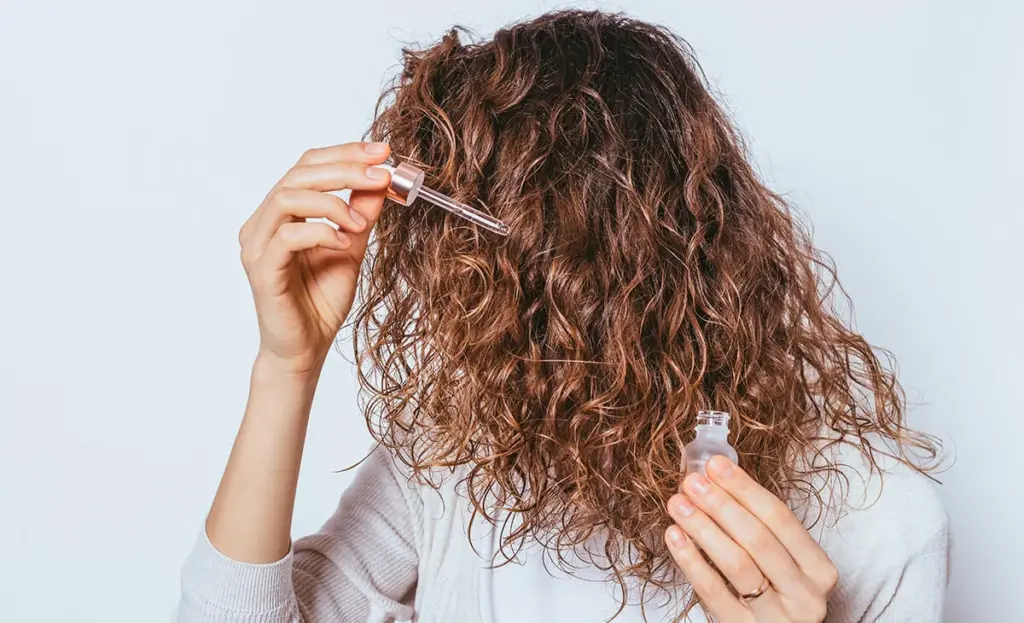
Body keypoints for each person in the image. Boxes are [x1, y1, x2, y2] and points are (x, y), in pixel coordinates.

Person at [174, 9, 949, 623]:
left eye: (527, 289)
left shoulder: (882, 528)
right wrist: (286, 364)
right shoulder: (451, 454)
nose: (476, 326)